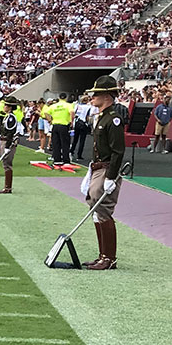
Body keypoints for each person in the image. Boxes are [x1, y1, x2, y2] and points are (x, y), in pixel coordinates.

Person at [80, 75, 125, 270]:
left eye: (96, 94)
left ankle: (109, 258)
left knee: (103, 210)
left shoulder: (113, 118)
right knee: (95, 209)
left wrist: (111, 177)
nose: (92, 97)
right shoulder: (102, 116)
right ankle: (102, 255)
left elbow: (117, 151)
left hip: (107, 168)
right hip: (98, 167)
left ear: (107, 95)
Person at [0, 95, 22, 193]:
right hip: (4, 140)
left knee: (7, 164)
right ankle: (7, 187)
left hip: (8, 142)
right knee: (5, 163)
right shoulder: (7, 116)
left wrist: (7, 146)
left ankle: (8, 187)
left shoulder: (11, 118)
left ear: (10, 107)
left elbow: (10, 133)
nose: (4, 107)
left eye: (6, 105)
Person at [47, 92, 74, 165]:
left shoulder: (54, 106)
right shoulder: (68, 105)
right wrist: (71, 121)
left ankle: (57, 159)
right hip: (64, 125)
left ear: (59, 98)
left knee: (56, 143)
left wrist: (50, 120)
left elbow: (46, 112)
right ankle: (66, 160)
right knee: (65, 143)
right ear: (66, 98)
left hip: (55, 125)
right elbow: (72, 112)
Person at [70, 95, 95, 161]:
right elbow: (89, 115)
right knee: (82, 140)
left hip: (77, 123)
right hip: (84, 124)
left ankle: (71, 151)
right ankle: (79, 155)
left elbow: (74, 113)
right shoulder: (88, 107)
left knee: (75, 139)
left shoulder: (77, 105)